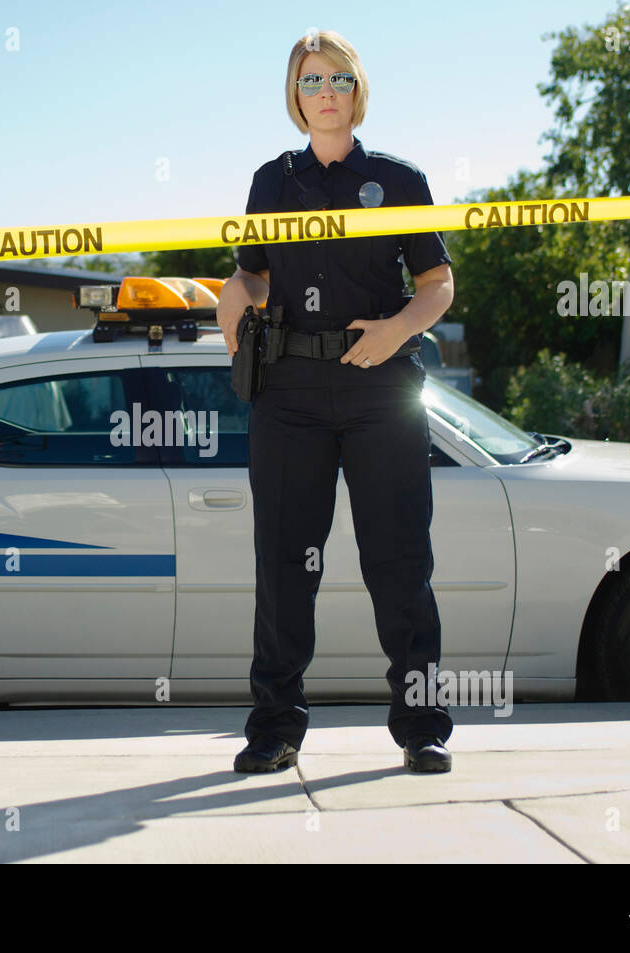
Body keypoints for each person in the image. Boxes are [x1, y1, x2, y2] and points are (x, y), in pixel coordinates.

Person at [217, 29, 456, 774]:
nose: (327, 93)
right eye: (313, 80)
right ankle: (274, 727)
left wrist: (394, 333)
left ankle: (422, 726)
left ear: (358, 91)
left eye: (340, 80)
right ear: (295, 93)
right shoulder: (271, 181)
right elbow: (253, 277)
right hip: (288, 393)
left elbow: (438, 285)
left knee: (399, 560)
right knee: (285, 566)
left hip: (382, 389)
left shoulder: (399, 177)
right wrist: (237, 317)